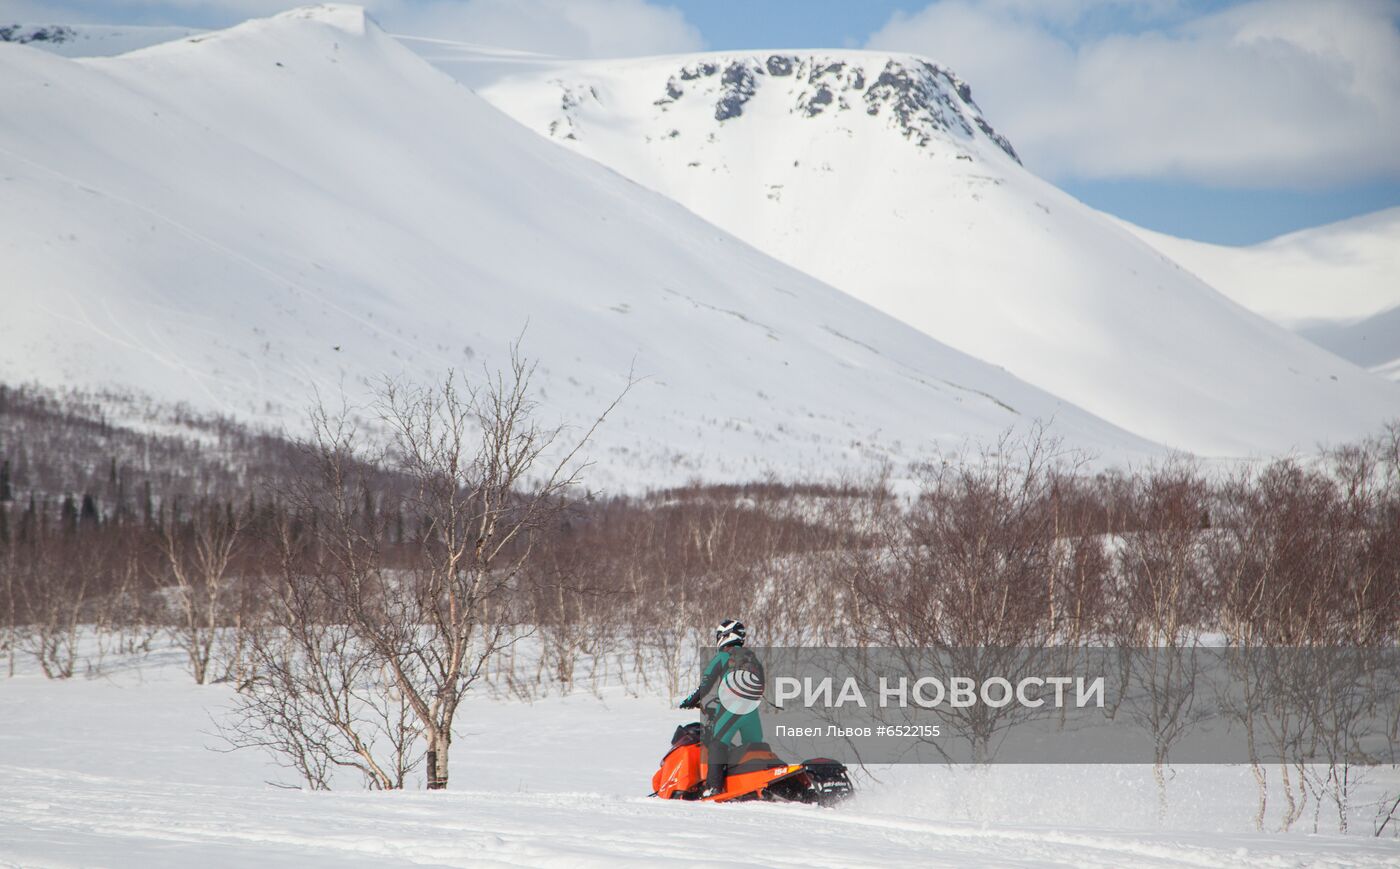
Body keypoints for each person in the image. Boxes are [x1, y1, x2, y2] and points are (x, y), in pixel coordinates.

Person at [679, 618, 765, 797]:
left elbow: (705, 685)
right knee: (754, 747)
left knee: (718, 744)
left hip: (732, 708)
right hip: (752, 710)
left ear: (725, 636)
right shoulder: (751, 657)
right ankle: (758, 780)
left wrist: (689, 701)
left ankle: (713, 788)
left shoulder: (723, 656)